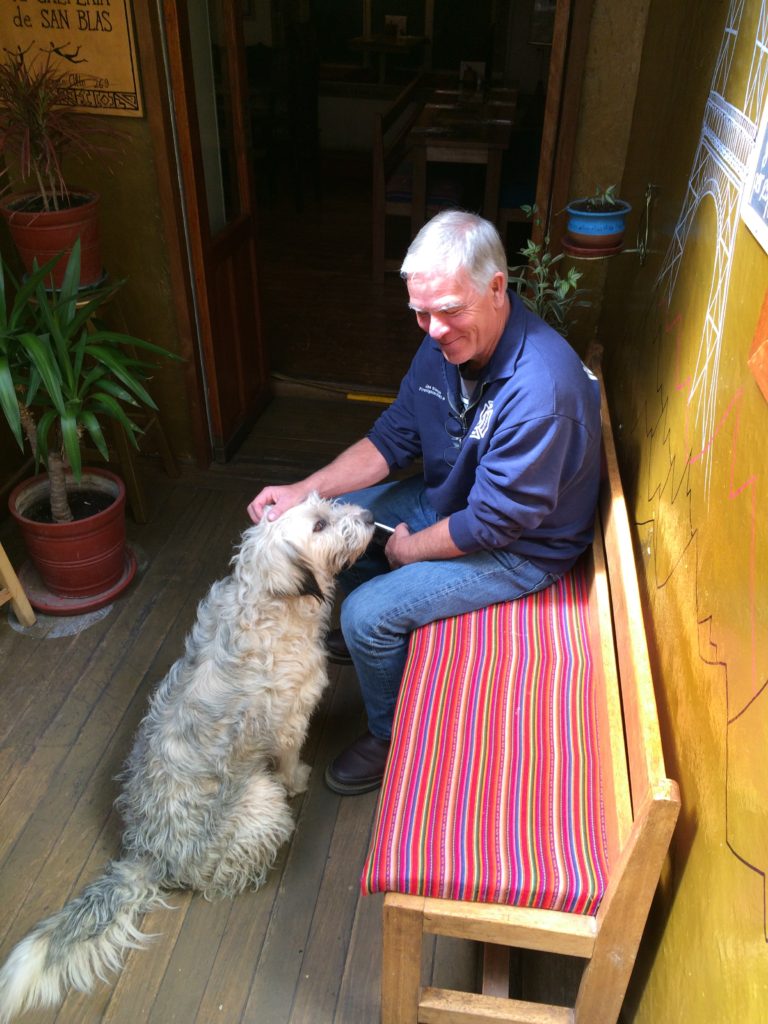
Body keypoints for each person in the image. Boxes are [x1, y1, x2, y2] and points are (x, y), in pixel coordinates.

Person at [247, 210, 601, 796]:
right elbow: (393, 438)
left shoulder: (541, 390)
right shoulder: (445, 343)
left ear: (496, 287)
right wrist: (302, 494)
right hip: (460, 500)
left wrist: (409, 550)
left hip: (522, 547)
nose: (434, 329)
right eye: (421, 312)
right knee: (343, 519)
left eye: (450, 310)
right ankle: (370, 646)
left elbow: (493, 525)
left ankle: (390, 736)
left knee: (367, 614)